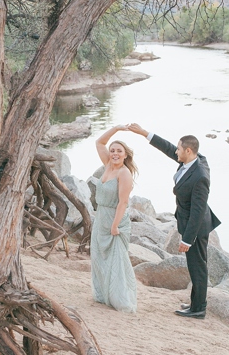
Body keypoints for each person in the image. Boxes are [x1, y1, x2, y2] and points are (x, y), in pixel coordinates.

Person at [126, 123, 220, 319]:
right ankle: (196, 302)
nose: (175, 151)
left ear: (188, 150)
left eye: (179, 148)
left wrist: (187, 239)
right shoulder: (192, 160)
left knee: (198, 267)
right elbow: (167, 148)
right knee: (195, 266)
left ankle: (199, 309)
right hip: (190, 223)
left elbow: (198, 210)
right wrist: (144, 133)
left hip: (196, 227)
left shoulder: (200, 176)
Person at [91, 125, 138, 312]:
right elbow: (99, 142)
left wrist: (115, 226)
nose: (115, 154)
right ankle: (104, 295)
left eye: (119, 151)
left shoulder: (124, 173)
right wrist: (116, 128)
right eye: (112, 151)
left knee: (116, 261)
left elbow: (123, 202)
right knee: (98, 258)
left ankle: (121, 300)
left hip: (114, 219)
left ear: (126, 155)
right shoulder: (108, 165)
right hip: (100, 217)